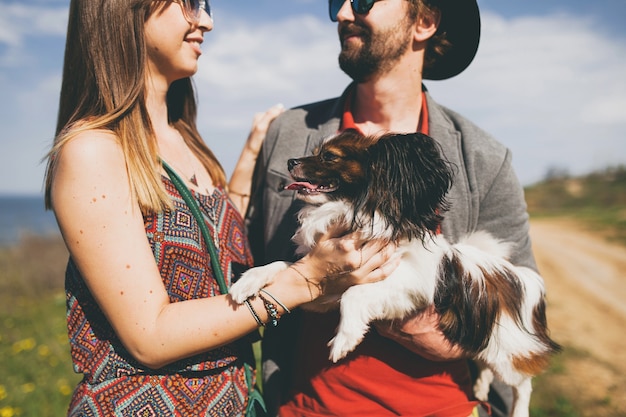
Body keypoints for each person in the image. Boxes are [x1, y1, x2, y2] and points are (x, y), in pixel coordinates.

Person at [43, 0, 397, 415]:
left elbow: (210, 248)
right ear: (124, 11)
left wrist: (251, 155)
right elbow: (149, 336)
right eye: (190, 4)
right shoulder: (92, 151)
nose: (207, 21)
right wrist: (306, 280)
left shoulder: (186, 141)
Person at [246, 0, 539, 416]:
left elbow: (516, 293)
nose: (344, 12)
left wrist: (432, 329)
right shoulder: (287, 133)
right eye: (336, 1)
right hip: (304, 407)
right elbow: (246, 255)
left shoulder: (484, 158)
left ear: (425, 20)